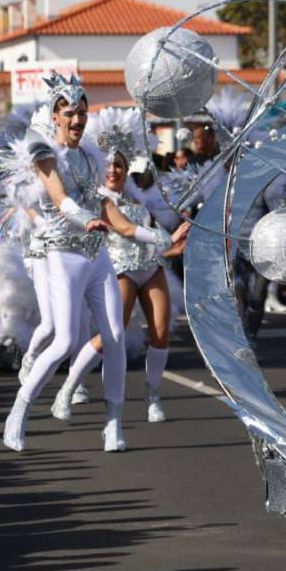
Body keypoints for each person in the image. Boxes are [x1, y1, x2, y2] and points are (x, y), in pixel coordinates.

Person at [3, 73, 172, 453]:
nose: (77, 119)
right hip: (61, 253)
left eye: (82, 112)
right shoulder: (42, 150)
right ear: (56, 115)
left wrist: (155, 236)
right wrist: (84, 218)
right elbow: (60, 198)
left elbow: (109, 211)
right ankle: (20, 409)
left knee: (114, 337)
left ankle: (113, 425)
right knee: (63, 338)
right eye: (69, 112)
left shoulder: (90, 157)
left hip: (96, 257)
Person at [49, 110, 187, 425]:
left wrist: (174, 244)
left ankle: (152, 396)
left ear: (126, 170)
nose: (113, 169)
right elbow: (125, 230)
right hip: (119, 270)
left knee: (161, 331)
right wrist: (166, 237)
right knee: (113, 333)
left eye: (119, 165)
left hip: (150, 268)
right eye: (109, 164)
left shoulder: (137, 198)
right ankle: (69, 386)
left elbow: (152, 240)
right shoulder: (97, 198)